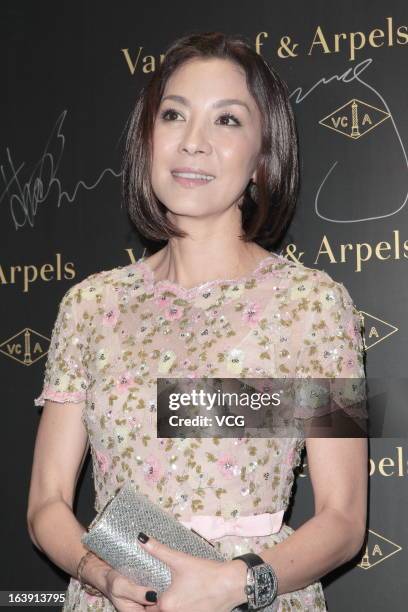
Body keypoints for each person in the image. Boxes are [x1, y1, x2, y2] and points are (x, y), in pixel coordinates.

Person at [27, 31, 368, 612]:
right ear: (147, 139)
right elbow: (46, 503)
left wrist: (233, 583)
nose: (193, 142)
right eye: (174, 115)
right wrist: (104, 578)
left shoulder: (312, 306)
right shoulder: (90, 305)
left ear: (264, 156)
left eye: (227, 121)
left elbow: (343, 517)